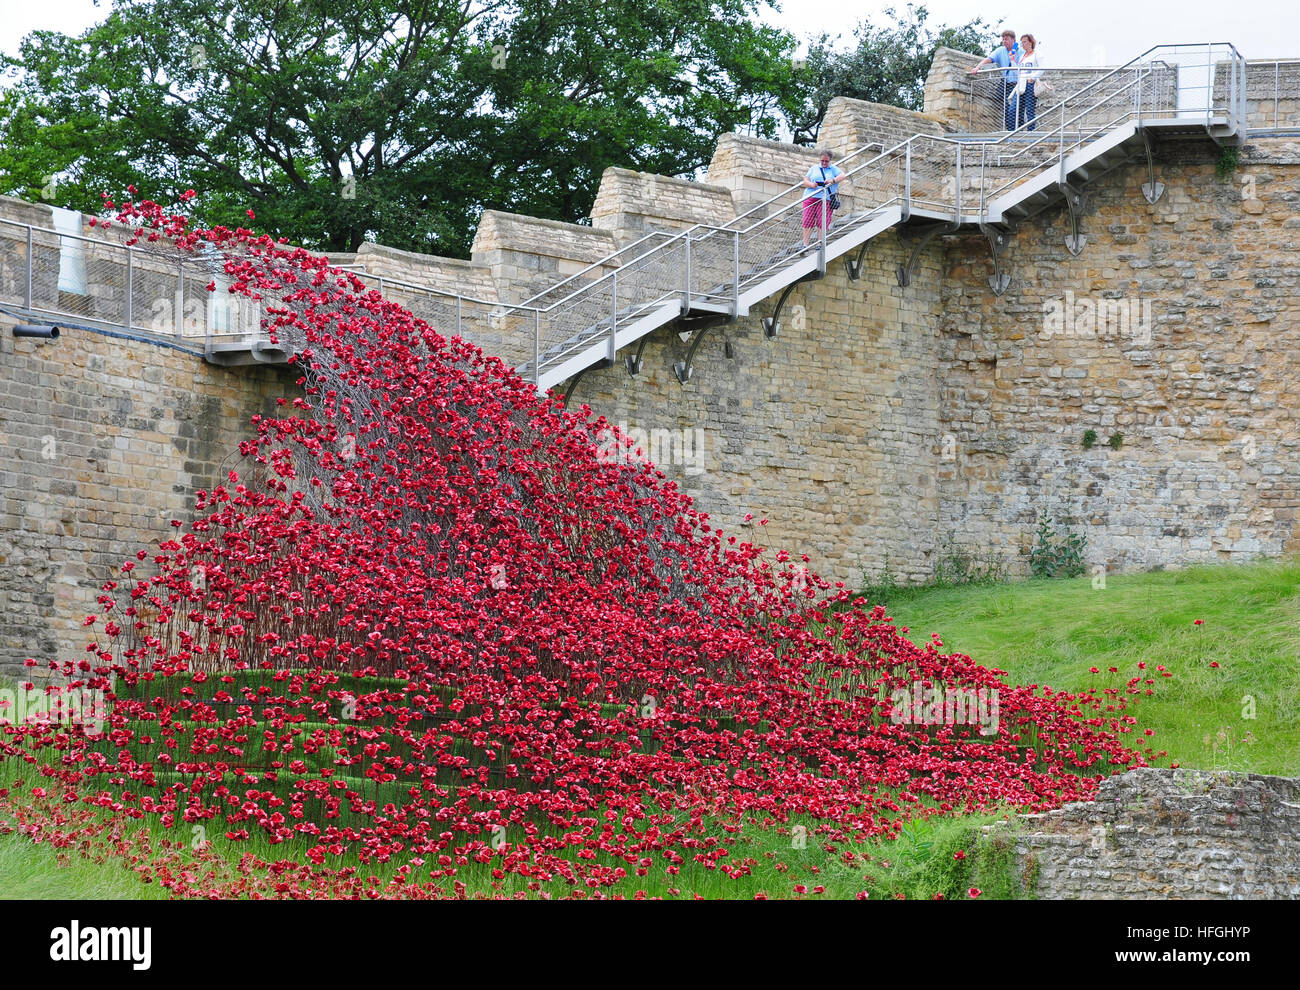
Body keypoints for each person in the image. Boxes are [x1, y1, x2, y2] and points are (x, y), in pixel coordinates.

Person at [969, 28, 1021, 130]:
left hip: (1018, 84)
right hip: (1007, 83)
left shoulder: (1021, 50)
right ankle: (1011, 130)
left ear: (1013, 40)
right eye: (1003, 39)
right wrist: (977, 67)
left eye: (1006, 39)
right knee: (1006, 108)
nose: (1004, 41)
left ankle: (1017, 130)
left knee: (1015, 109)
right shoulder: (1000, 50)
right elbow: (988, 59)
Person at [801, 149, 847, 247]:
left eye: (826, 161)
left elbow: (843, 175)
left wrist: (832, 180)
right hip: (811, 197)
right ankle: (805, 244)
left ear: (830, 160)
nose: (824, 163)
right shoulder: (814, 168)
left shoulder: (833, 168)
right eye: (822, 161)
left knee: (823, 221)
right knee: (807, 220)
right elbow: (805, 180)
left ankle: (819, 243)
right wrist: (812, 185)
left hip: (826, 199)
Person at [1015, 35, 1042, 131]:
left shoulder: (1036, 54)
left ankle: (1030, 132)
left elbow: (1042, 68)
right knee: (1017, 109)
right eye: (1022, 42)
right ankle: (1018, 131)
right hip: (1021, 84)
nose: (1023, 44)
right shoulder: (1022, 56)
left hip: (1030, 84)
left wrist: (1033, 77)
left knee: (1029, 110)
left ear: (1031, 42)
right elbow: (1017, 71)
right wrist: (1012, 60)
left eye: (1025, 42)